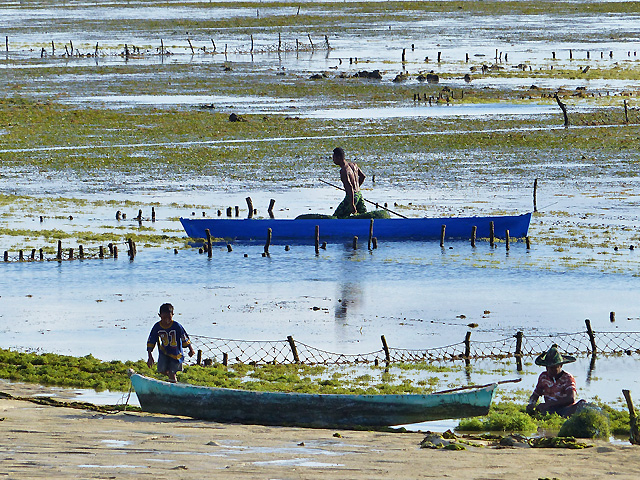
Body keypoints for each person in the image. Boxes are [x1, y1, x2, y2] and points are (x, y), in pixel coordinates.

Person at [526, 344, 586, 417]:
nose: (550, 370)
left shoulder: (567, 378)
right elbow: (536, 394)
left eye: (554, 367)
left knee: (582, 404)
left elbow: (571, 399)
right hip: (550, 410)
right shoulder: (543, 377)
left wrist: (549, 404)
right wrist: (531, 404)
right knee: (540, 410)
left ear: (560, 366)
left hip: (565, 409)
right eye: (548, 367)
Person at [146, 303, 195, 383]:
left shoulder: (176, 326)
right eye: (164, 318)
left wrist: (190, 349)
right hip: (164, 352)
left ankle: (173, 385)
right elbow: (151, 340)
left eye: (169, 317)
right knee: (161, 370)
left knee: (173, 372)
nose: (166, 320)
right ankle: (171, 379)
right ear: (159, 315)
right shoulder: (157, 327)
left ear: (172, 315)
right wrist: (150, 356)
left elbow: (184, 337)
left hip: (176, 354)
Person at [332, 147, 367, 218]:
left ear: (338, 157)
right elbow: (363, 176)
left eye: (334, 157)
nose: (333, 160)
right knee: (364, 216)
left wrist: (352, 204)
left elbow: (350, 187)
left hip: (352, 197)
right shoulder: (354, 165)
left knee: (337, 216)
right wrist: (356, 188)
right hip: (359, 194)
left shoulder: (344, 171)